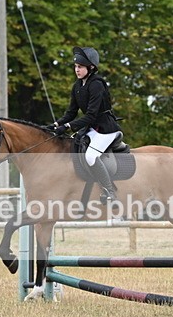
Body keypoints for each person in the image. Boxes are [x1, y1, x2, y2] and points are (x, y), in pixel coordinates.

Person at [51, 46, 122, 203]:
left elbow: (91, 115)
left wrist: (68, 127)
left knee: (90, 156)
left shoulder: (97, 84)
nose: (77, 70)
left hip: (106, 129)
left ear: (91, 68)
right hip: (92, 128)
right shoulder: (77, 86)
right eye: (76, 66)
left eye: (81, 67)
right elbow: (71, 112)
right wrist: (56, 124)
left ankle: (110, 191)